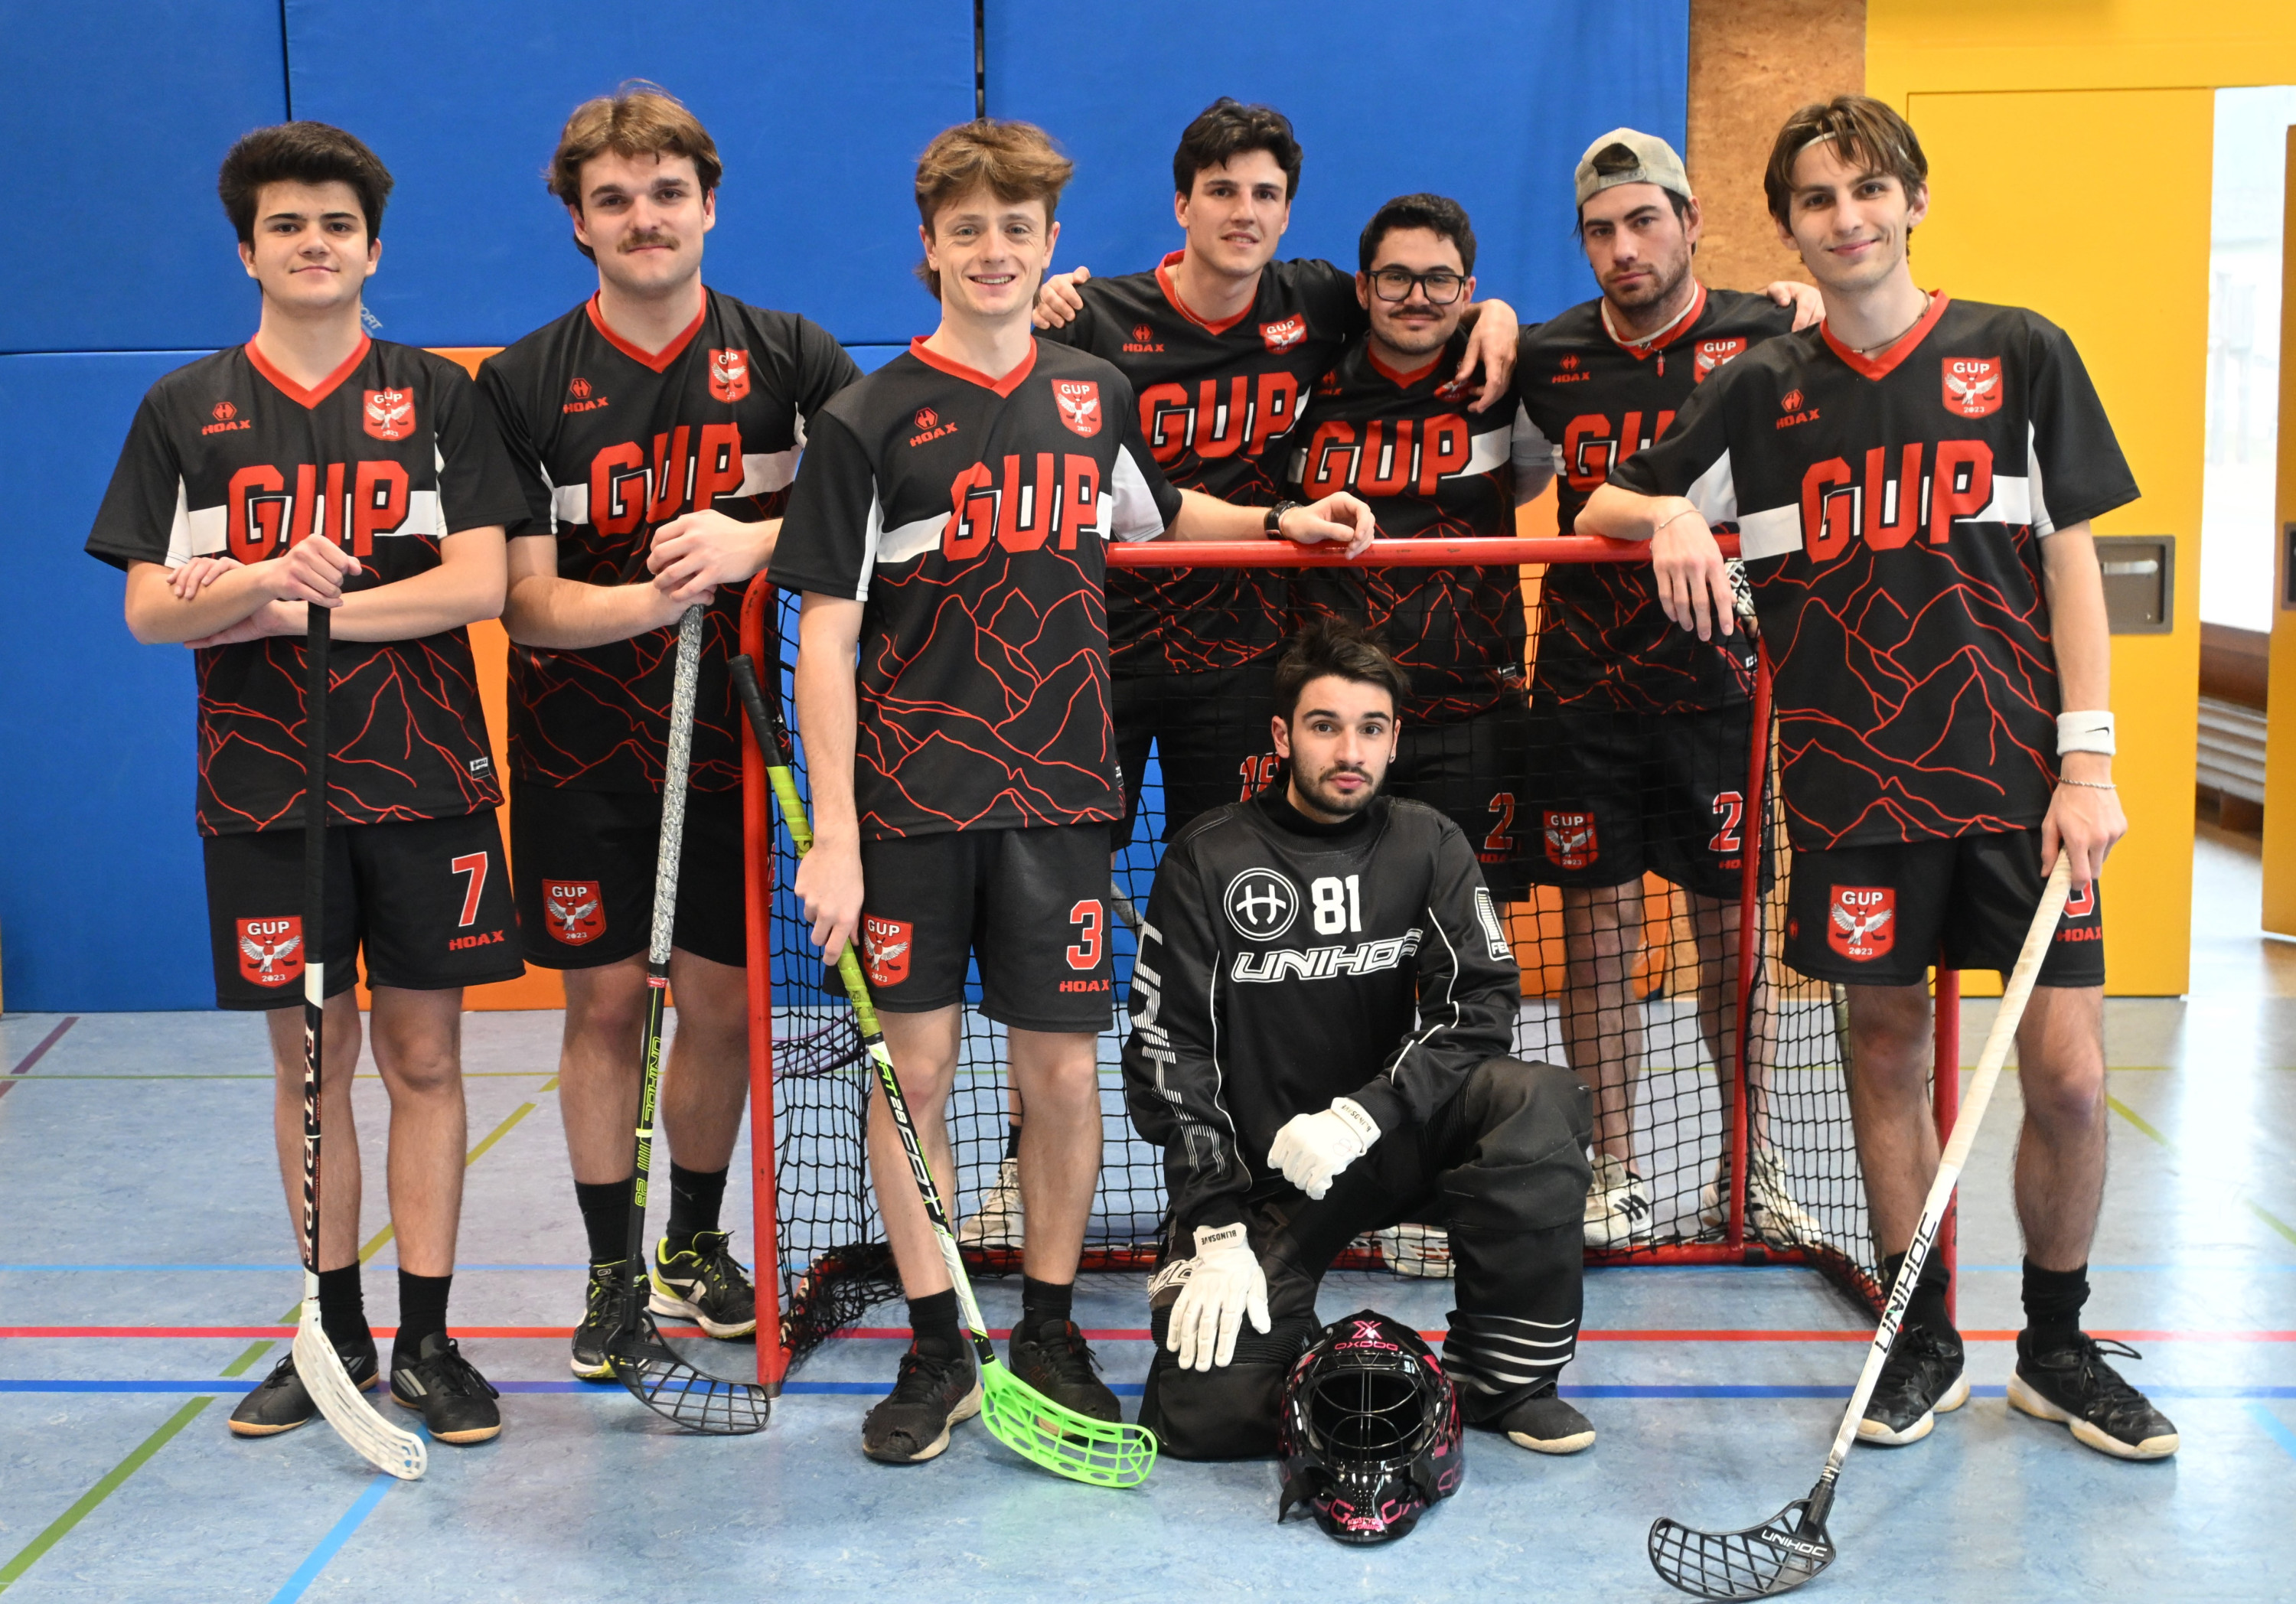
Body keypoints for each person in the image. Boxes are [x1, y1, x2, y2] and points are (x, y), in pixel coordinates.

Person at [768, 118, 1376, 1465]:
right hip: (914, 806)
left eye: (1018, 228)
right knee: (916, 1072)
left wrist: (1282, 520)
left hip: (1059, 800)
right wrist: (837, 839)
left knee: (1058, 1072)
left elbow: (1161, 517)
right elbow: (826, 639)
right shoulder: (866, 420)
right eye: (968, 229)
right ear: (928, 246)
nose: (993, 251)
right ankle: (940, 1343)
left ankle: (1046, 1328)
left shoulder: (1094, 392)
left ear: (1052, 244)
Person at [1578, 95, 2177, 1460]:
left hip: (2023, 790)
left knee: (2070, 1078)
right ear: (1786, 226)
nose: (1846, 217)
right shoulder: (1761, 389)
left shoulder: (2019, 352)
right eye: (1817, 198)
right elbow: (1605, 498)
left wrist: (2089, 760)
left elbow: (2071, 562)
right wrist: (1673, 511)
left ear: (1914, 200)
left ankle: (2058, 1346)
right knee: (1886, 1055)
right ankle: (1918, 1340)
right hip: (1852, 795)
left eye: (1867, 189)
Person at [967, 99, 1523, 1254]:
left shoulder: (1314, 300)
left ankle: (1314, 1174)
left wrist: (1501, 313)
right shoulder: (1101, 317)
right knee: (1055, 922)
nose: (1244, 211)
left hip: (1239, 667)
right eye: (1222, 190)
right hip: (1095, 661)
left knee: (1266, 939)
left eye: (1266, 193)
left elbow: (1434, 297)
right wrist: (1042, 296)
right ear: (1182, 204)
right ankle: (1027, 1168)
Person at [86, 122, 523, 1445]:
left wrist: (277, 608)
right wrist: (267, 581)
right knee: (309, 1063)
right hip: (265, 792)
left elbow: (479, 585)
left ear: (372, 249)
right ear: (248, 251)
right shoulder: (184, 411)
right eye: (286, 225)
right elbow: (148, 612)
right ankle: (332, 1334)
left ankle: (430, 1342)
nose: (314, 244)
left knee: (426, 1056)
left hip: (428, 778)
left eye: (337, 225)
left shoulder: (439, 398)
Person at [478, 84, 860, 1382]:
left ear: (709, 205)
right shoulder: (525, 382)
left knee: (721, 1003)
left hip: (732, 748)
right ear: (579, 223)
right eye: (614, 200)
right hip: (581, 749)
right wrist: (654, 598)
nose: (644, 218)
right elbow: (526, 605)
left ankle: (692, 1242)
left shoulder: (792, 356)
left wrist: (754, 542)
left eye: (666, 193)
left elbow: (877, 503)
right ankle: (608, 1272)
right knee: (600, 1008)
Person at [1123, 618, 1596, 1459]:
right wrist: (1215, 1223)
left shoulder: (1427, 841)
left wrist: (1366, 1113)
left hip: (1389, 1138)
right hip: (1267, 1177)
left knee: (1537, 1102)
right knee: (1206, 1415)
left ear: (1395, 739)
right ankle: (1306, 1354)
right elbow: (1170, 1056)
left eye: (1371, 729)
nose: (1350, 751)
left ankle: (1506, 1380)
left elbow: (1479, 1004)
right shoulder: (1209, 857)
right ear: (1282, 736)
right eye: (1325, 725)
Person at [1514, 129, 1825, 1250]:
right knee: (1596, 938)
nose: (1624, 248)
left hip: (1719, 684)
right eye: (1601, 230)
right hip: (1584, 687)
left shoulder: (1770, 334)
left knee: (1731, 939)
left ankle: (1751, 1166)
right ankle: (1615, 1171)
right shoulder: (1544, 358)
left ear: (1691, 222)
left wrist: (1812, 303)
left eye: (1645, 221)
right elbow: (1521, 470)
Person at [1286, 192, 1547, 901]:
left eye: (1440, 280)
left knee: (1472, 930)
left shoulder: (1509, 374)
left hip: (1472, 712)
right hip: (1333, 715)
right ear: (1363, 287)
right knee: (1327, 928)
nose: (1417, 298)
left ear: (1467, 289)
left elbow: (1528, 482)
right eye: (1396, 278)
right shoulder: (1306, 377)